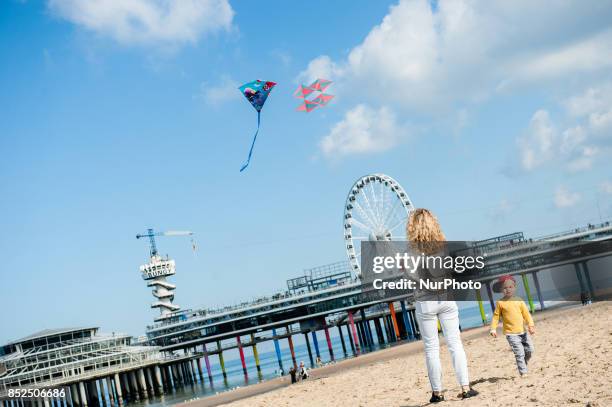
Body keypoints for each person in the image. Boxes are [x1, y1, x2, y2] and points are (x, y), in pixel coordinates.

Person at [407, 208, 478, 403]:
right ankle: (465, 388)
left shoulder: (410, 250)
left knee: (431, 348)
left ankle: (437, 393)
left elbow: (412, 277)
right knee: (455, 343)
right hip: (446, 298)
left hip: (425, 302)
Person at [490, 275, 535, 377]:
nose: (508, 289)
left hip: (523, 331)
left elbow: (526, 314)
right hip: (511, 334)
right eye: (505, 288)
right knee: (519, 352)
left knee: (530, 350)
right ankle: (523, 372)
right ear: (501, 289)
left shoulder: (519, 300)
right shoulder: (500, 303)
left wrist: (531, 325)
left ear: (514, 287)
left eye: (510, 287)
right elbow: (496, 317)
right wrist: (493, 329)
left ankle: (523, 363)